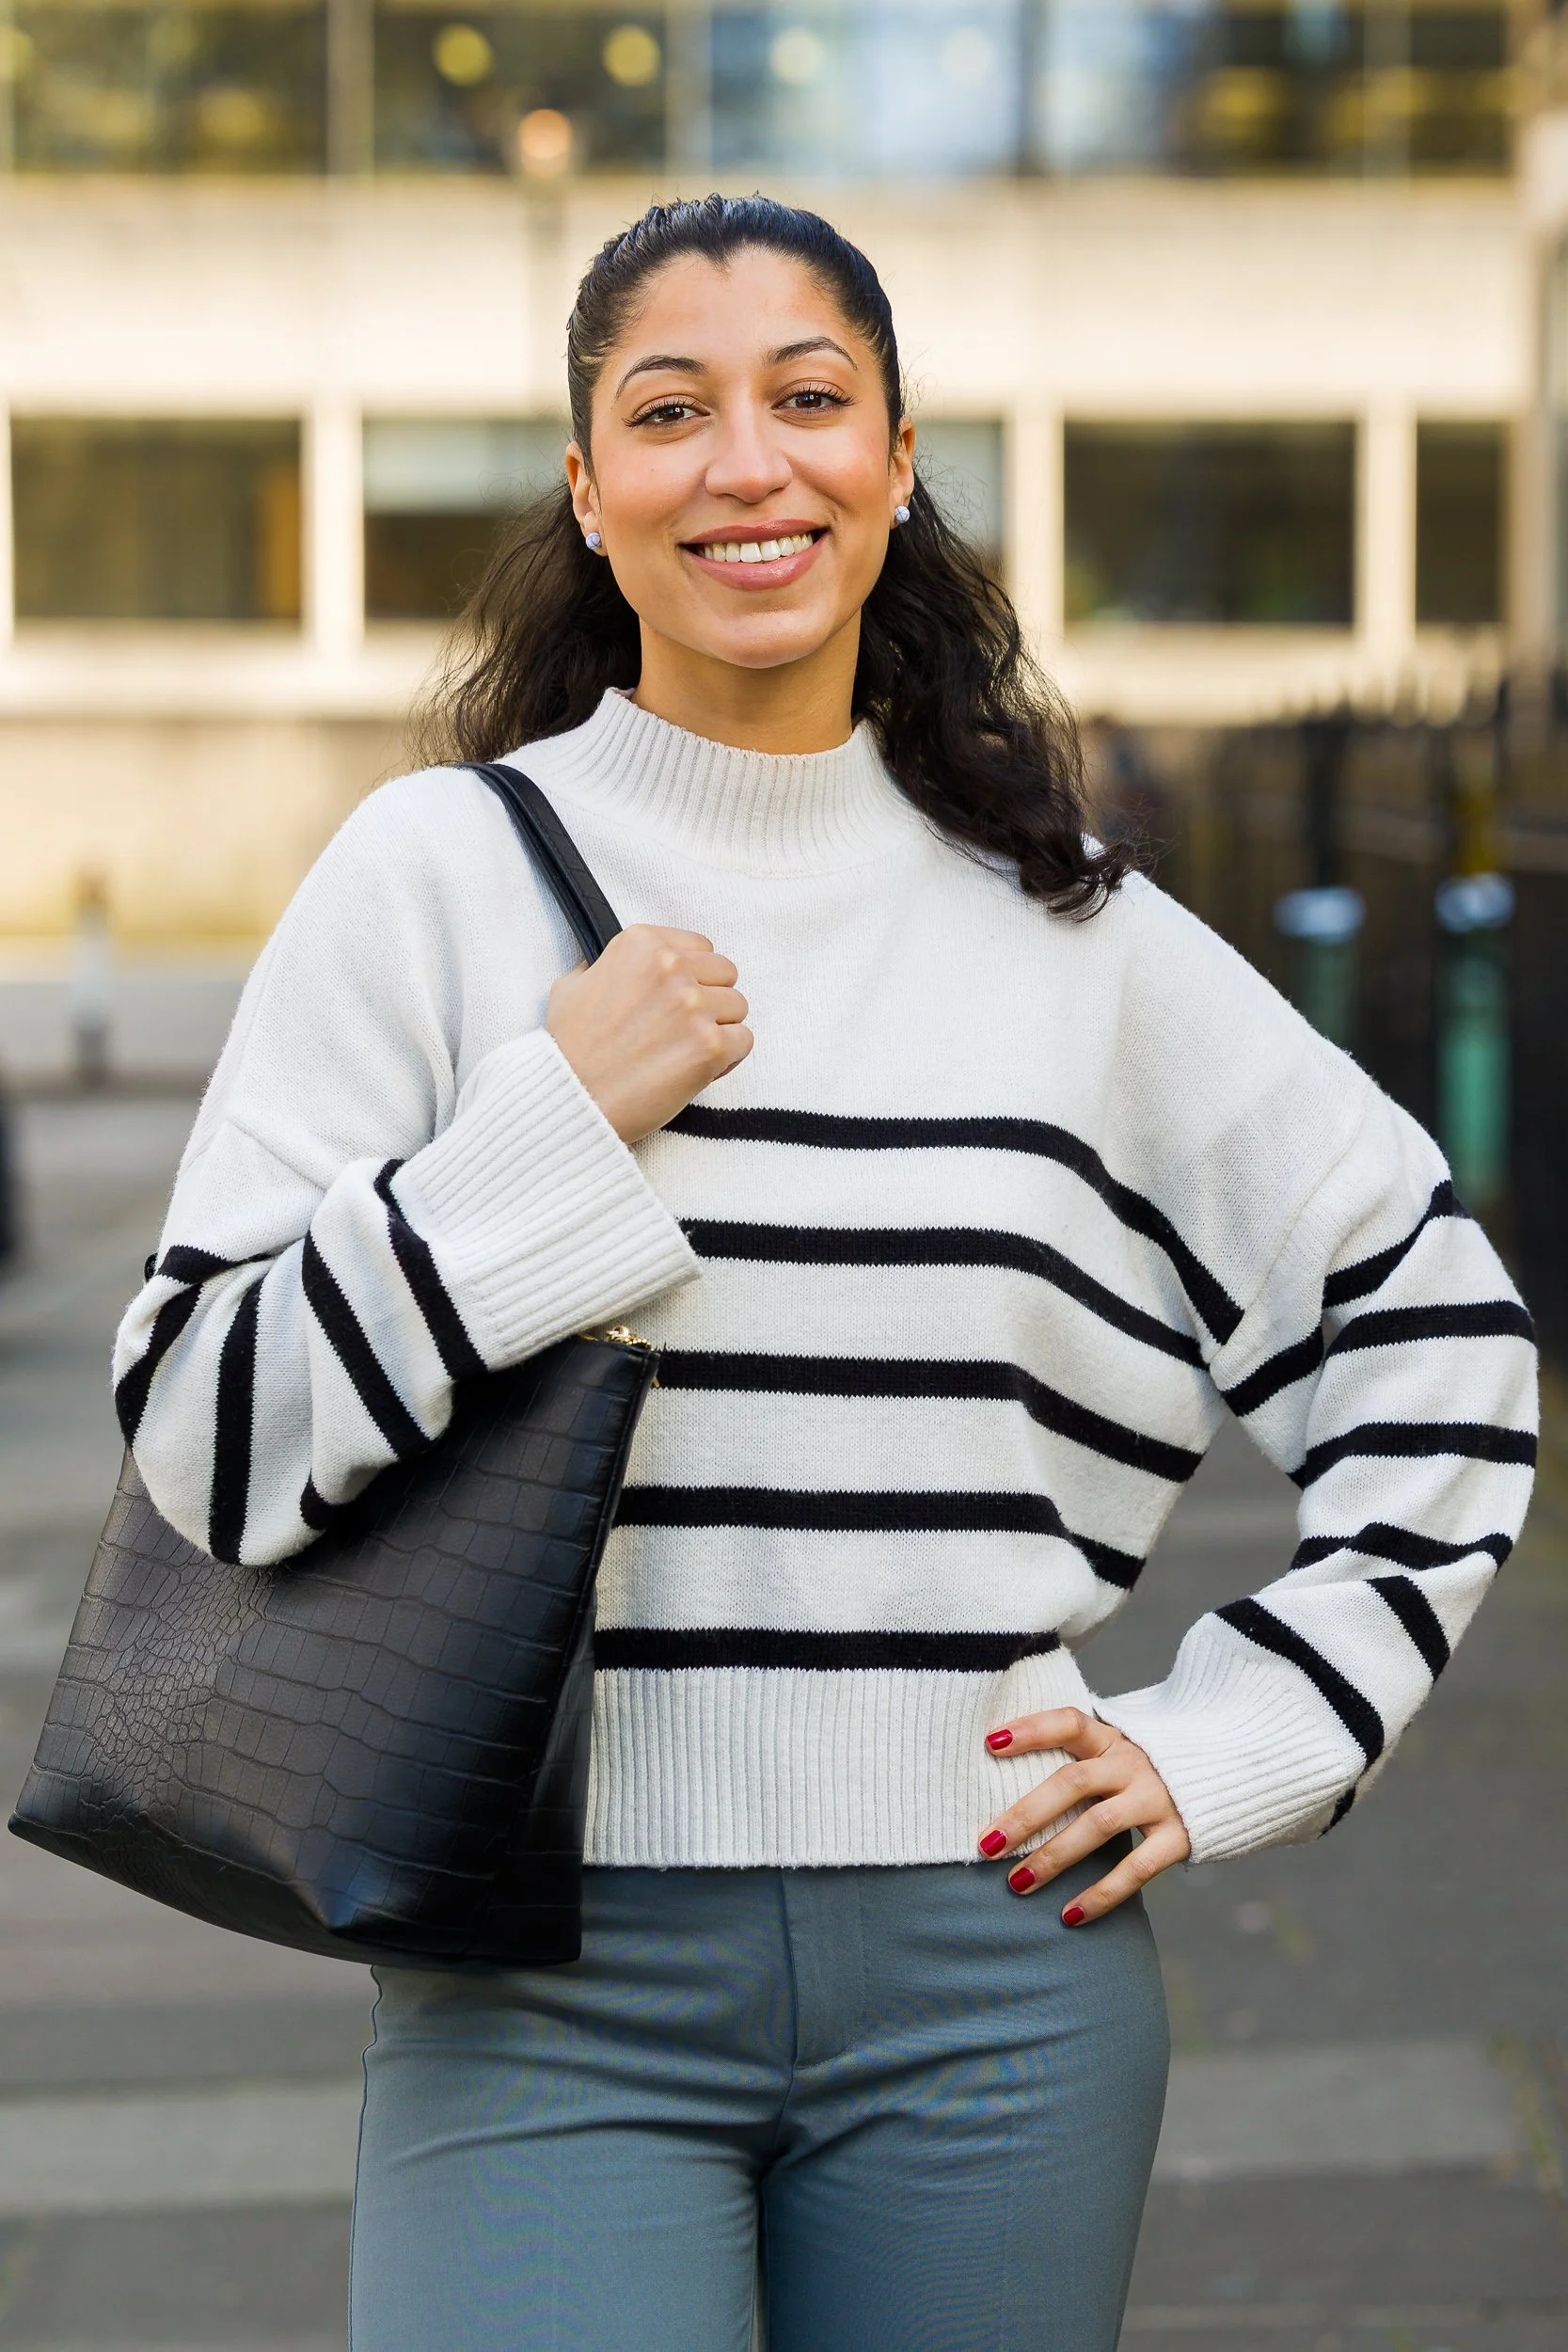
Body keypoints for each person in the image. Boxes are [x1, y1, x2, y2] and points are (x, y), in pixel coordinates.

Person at [112, 197, 1537, 2352]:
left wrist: (1245, 1727)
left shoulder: (1074, 936)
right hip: (543, 1967)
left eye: (808, 399)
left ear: (892, 460)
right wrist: (544, 1131)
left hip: (996, 1975)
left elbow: (1432, 1336)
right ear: (589, 489)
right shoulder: (433, 880)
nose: (745, 464)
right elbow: (210, 1435)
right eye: (667, 410)